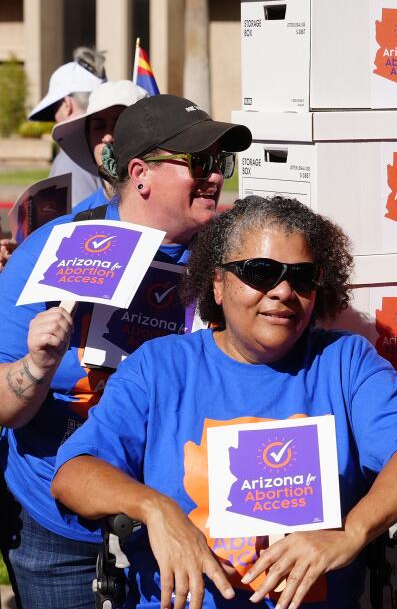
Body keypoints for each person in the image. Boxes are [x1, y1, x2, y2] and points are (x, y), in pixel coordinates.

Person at [50, 195, 397, 609]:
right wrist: (154, 508)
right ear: (218, 284)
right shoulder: (159, 367)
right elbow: (74, 473)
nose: (282, 292)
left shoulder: (345, 362)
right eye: (260, 272)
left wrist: (353, 532)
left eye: (302, 276)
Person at [0, 94, 251, 609]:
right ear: (140, 174)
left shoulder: (237, 264)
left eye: (220, 163)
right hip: (61, 532)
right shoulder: (55, 251)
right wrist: (38, 365)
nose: (214, 177)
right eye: (198, 163)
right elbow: (6, 407)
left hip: (194, 523)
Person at [51, 79, 150, 212]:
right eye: (99, 127)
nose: (108, 137)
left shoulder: (176, 210)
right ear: (88, 138)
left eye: (119, 124)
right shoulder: (75, 222)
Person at [29, 48, 108, 204]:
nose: (55, 117)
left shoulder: (73, 157)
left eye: (54, 108)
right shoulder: (115, 145)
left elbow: (75, 224)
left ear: (66, 104)